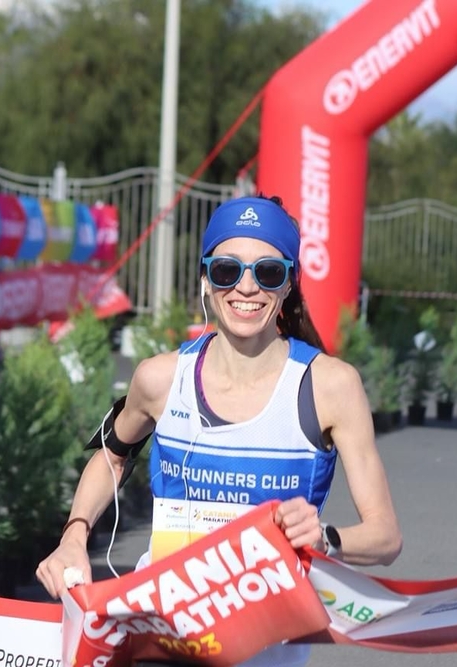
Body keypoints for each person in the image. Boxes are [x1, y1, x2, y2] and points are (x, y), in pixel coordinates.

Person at [36, 194, 402, 665]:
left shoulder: (329, 386)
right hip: (158, 640)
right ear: (206, 280)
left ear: (289, 283)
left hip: (266, 651)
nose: (245, 288)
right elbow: (112, 453)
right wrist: (74, 536)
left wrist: (326, 539)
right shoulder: (159, 378)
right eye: (227, 270)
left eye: (267, 272)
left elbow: (386, 537)